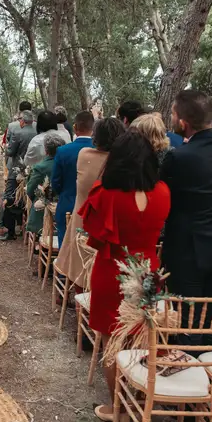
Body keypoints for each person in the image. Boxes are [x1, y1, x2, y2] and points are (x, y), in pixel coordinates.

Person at [78, 130, 170, 422]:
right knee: (142, 338)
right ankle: (138, 400)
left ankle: (118, 408)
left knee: (112, 342)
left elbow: (91, 231)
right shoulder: (164, 192)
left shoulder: (104, 193)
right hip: (148, 271)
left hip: (113, 270)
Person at [160, 90, 212, 345]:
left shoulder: (179, 157)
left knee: (188, 319)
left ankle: (190, 371)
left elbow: (163, 193)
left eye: (173, 114)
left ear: (182, 122)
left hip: (188, 250)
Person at [55, 117, 126, 291]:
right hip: (107, 224)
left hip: (82, 219)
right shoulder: (123, 164)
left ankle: (79, 303)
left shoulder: (84, 155)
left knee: (79, 263)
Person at [51, 111, 95, 244]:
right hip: (92, 207)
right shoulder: (99, 151)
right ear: (93, 128)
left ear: (75, 127)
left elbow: (56, 181)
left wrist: (62, 192)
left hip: (67, 202)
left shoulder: (63, 151)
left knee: (65, 246)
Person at [0, 110, 36, 241]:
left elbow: (11, 151)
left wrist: (6, 147)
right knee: (27, 199)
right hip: (32, 171)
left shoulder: (18, 133)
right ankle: (23, 226)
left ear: (22, 121)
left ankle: (10, 231)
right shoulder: (37, 133)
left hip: (16, 170)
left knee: (9, 197)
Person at [23, 133, 64, 236]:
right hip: (64, 207)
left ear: (46, 150)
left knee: (39, 203)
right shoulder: (67, 164)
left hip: (44, 209)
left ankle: (38, 239)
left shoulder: (40, 167)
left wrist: (40, 199)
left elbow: (30, 189)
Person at [5, 101, 34, 171]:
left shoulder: (12, 125)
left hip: (16, 161)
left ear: (19, 110)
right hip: (34, 161)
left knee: (11, 179)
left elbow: (9, 141)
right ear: (31, 110)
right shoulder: (37, 125)